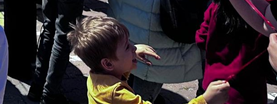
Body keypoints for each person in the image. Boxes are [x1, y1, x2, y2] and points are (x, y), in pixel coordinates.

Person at [67, 16, 230, 104]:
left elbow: (117, 70)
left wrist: (131, 53)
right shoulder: (117, 95)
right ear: (108, 63)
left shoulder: (95, 77)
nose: (134, 48)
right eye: (127, 47)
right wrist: (205, 100)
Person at [195, 0, 268, 104]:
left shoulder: (214, 9)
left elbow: (200, 39)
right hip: (248, 93)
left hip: (213, 86)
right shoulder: (262, 23)